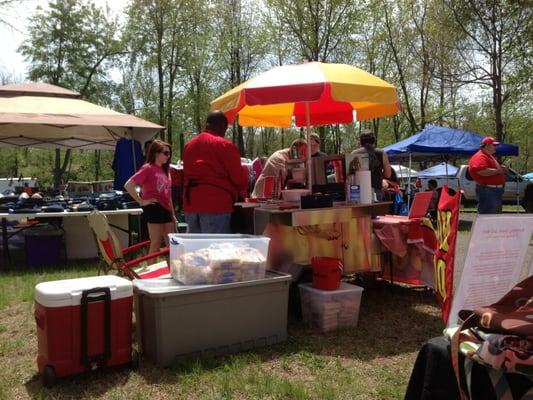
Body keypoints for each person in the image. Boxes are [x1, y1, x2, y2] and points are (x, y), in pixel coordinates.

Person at [182, 110, 248, 233]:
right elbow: (239, 179)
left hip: (191, 204)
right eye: (225, 128)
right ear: (222, 126)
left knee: (195, 250)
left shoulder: (188, 146)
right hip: (216, 205)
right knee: (215, 249)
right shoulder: (224, 145)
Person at [124, 139, 175, 254]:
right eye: (165, 153)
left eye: (169, 153)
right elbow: (128, 185)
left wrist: (173, 215)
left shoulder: (166, 170)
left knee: (172, 244)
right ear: (156, 153)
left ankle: (172, 271)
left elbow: (168, 194)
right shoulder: (148, 168)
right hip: (154, 207)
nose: (169, 156)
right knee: (156, 243)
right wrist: (141, 201)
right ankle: (151, 270)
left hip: (166, 209)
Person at [468, 136, 507, 214]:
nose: (495, 147)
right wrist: (498, 171)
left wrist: (501, 169)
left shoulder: (488, 156)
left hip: (492, 191)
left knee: (492, 216)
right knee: (487, 216)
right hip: (488, 190)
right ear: (487, 145)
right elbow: (481, 171)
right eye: (494, 145)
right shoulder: (480, 156)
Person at [351, 130, 391, 201]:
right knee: (375, 212)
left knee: (359, 212)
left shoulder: (354, 153)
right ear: (373, 140)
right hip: (376, 190)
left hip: (358, 192)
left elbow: (350, 175)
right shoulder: (381, 153)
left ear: (361, 141)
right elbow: (388, 174)